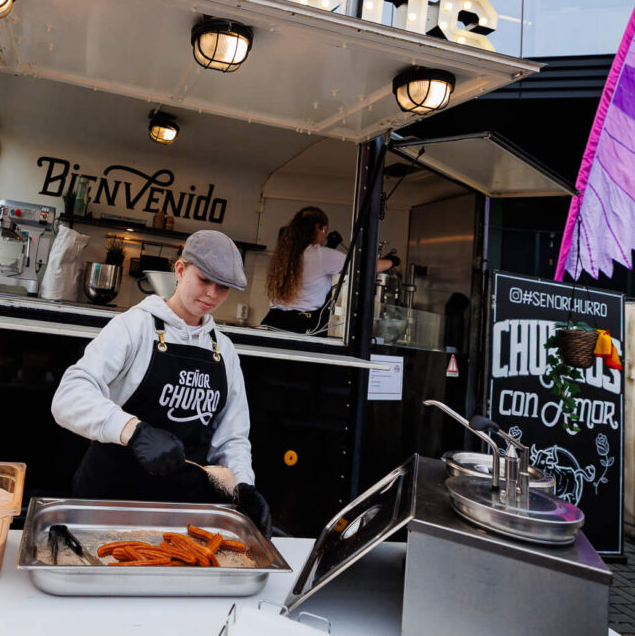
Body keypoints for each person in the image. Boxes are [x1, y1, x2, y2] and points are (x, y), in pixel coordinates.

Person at [51, 229, 272, 537]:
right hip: (112, 500)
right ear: (180, 270)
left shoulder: (224, 350)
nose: (212, 294)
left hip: (183, 513)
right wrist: (134, 431)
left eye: (223, 287)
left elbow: (231, 438)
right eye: (204, 279)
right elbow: (69, 396)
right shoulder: (134, 326)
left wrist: (243, 487)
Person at [262, 207, 397, 335]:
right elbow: (366, 268)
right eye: (325, 231)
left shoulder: (285, 253)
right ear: (317, 228)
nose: (325, 236)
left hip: (273, 320)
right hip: (301, 325)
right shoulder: (320, 255)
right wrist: (392, 261)